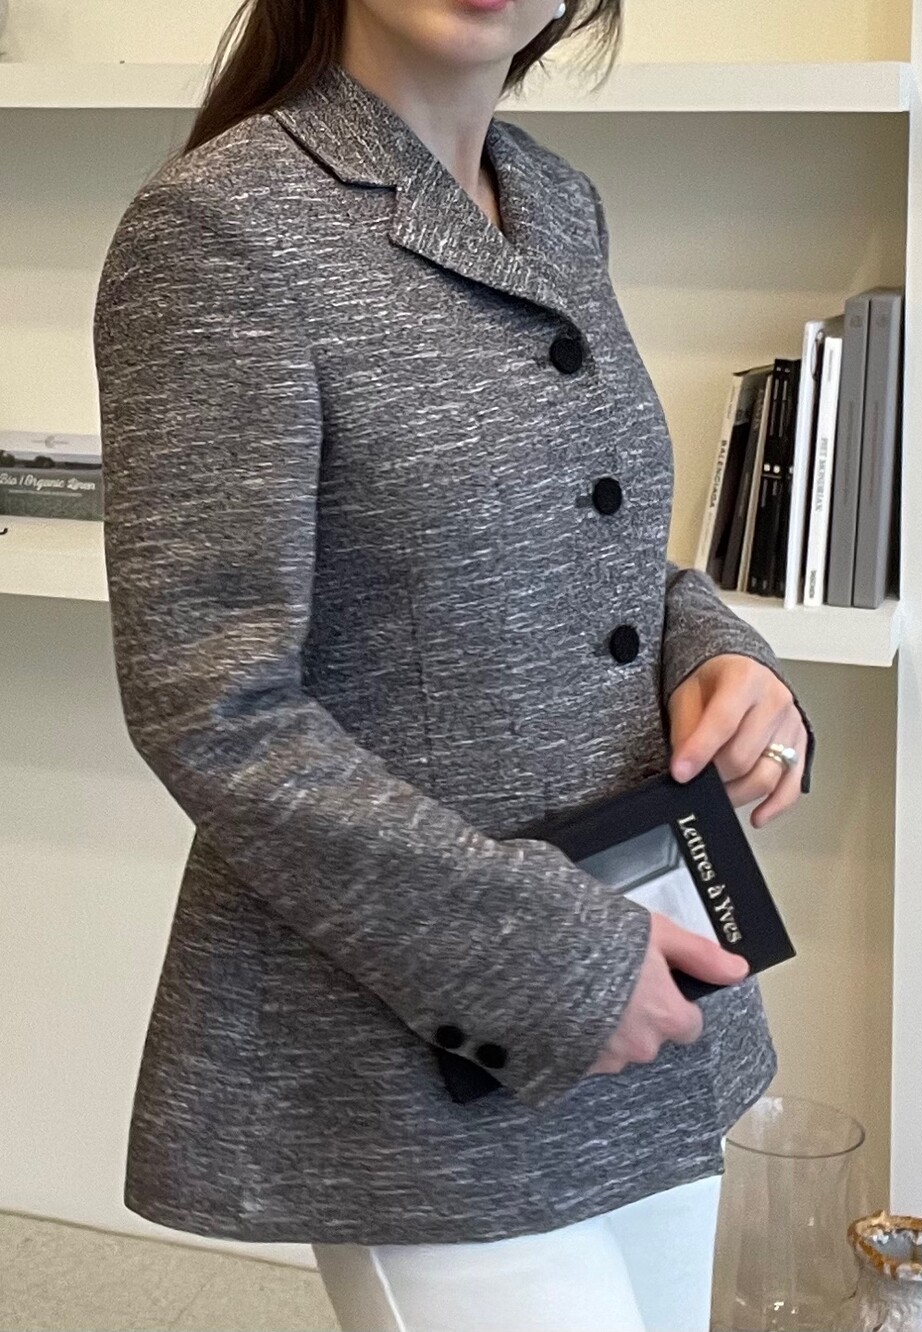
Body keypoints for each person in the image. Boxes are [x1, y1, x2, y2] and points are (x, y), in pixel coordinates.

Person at [92, 2, 815, 1329]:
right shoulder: (220, 227)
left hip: (649, 976)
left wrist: (724, 651)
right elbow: (212, 704)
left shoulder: (554, 200)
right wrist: (551, 962)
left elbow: (589, 543)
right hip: (421, 1053)